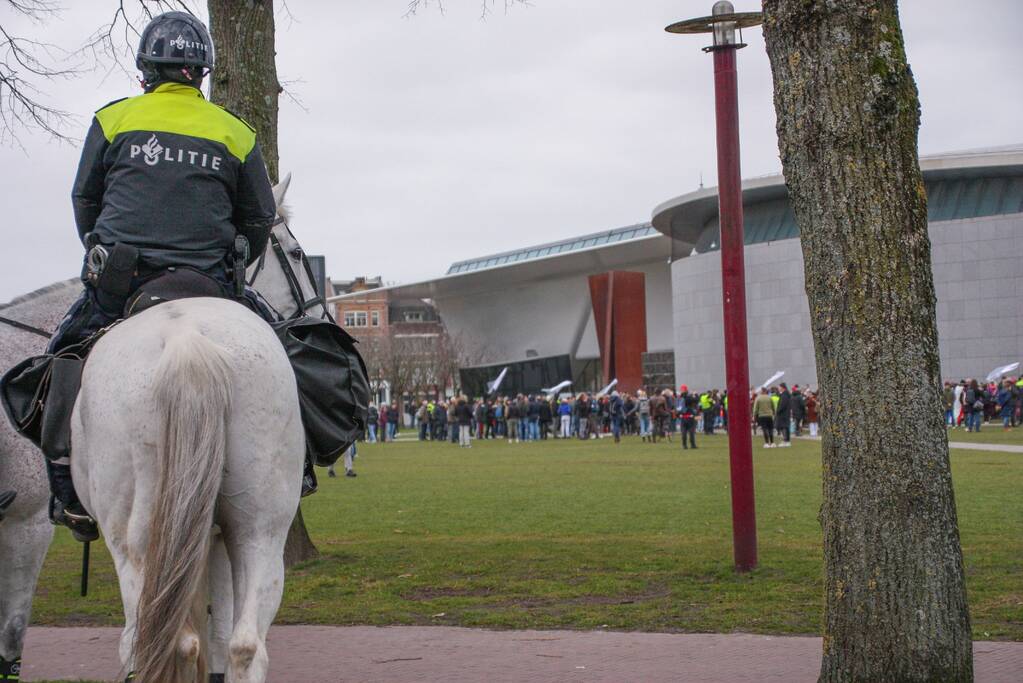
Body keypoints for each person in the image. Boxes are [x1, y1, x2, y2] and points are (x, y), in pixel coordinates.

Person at [40, 12, 280, 542]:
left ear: (146, 68)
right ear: (202, 72)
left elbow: (85, 199)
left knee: (62, 357)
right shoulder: (236, 132)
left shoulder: (113, 120)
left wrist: (97, 249)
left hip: (122, 283)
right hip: (210, 282)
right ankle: (298, 466)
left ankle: (65, 484)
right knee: (284, 351)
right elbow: (260, 218)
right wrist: (237, 259)